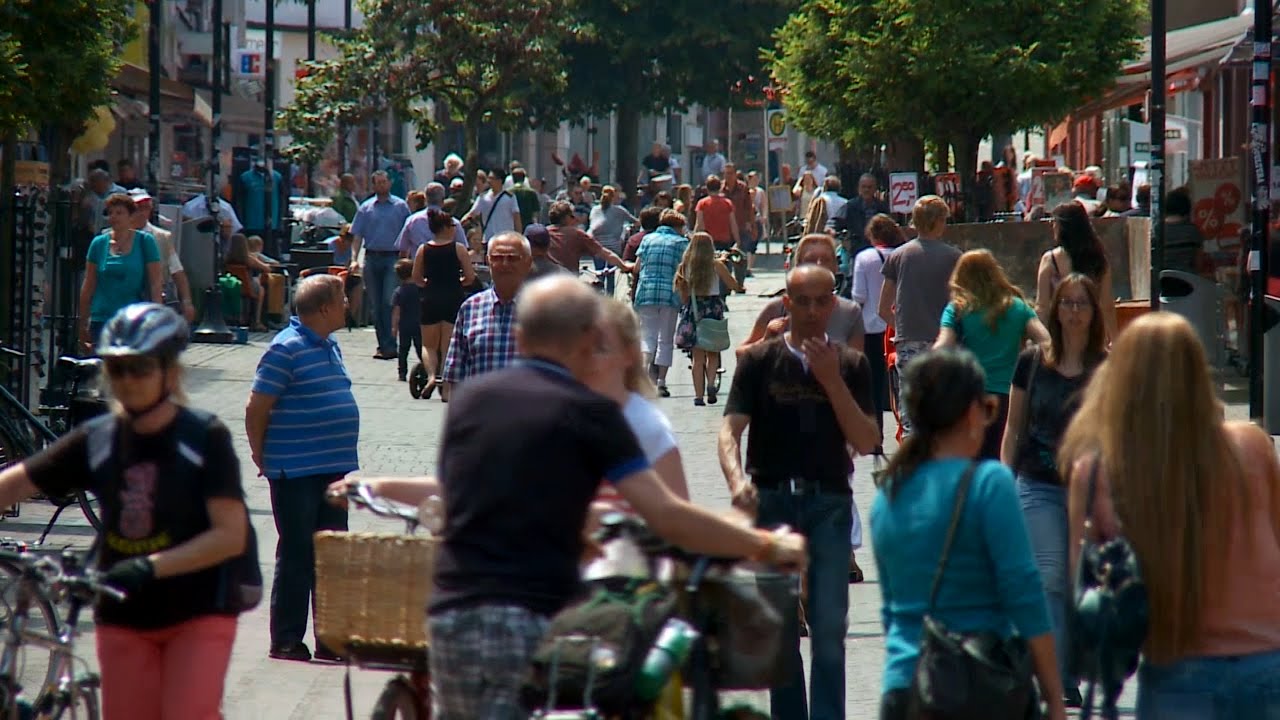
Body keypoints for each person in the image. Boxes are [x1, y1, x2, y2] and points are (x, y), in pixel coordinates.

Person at [334, 275, 807, 719]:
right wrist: (764, 543)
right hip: (529, 618)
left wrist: (380, 486)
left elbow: (465, 493)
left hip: (449, 614)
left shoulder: (473, 399)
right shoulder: (592, 413)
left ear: (520, 338)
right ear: (588, 339)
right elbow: (667, 514)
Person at [0, 303, 248, 719]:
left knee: (186, 712)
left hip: (197, 609)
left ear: (170, 372)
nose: (128, 380)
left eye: (140, 368)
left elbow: (230, 535)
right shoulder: (98, 439)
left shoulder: (203, 437)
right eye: (117, 369)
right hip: (123, 610)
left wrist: (150, 566)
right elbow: (16, 483)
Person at [1061, 313, 1280, 719]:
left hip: (1177, 669)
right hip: (1267, 662)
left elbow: (1081, 581)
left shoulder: (1101, 471)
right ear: (1198, 374)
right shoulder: (1251, 446)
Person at [720, 264, 879, 720]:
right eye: (802, 302)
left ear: (834, 305)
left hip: (828, 502)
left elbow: (867, 439)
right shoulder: (758, 361)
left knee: (828, 628)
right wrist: (736, 481)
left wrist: (831, 380)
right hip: (772, 502)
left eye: (820, 301)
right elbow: (729, 431)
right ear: (785, 304)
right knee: (781, 629)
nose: (811, 311)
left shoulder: (851, 365)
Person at [872, 348, 1067, 720]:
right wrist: (1055, 698)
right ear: (971, 413)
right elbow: (1025, 595)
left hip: (905, 687)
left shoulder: (888, 495)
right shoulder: (989, 484)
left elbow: (891, 611)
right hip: (979, 684)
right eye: (988, 408)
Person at [997, 273, 1106, 709]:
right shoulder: (1032, 361)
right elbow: (1013, 428)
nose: (1074, 312)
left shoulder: (1105, 368)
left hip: (1092, 488)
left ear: (1094, 312)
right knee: (1051, 576)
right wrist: (1003, 481)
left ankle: (1069, 664)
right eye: (1067, 303)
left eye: (1082, 304)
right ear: (1055, 309)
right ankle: (1058, 678)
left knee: (1082, 579)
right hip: (1037, 482)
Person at [245, 275, 358, 663]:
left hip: (333, 468)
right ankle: (287, 639)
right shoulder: (286, 348)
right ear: (325, 308)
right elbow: (256, 408)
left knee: (331, 554)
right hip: (296, 470)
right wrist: (260, 454)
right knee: (297, 553)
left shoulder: (329, 344)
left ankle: (330, 639)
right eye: (342, 299)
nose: (348, 304)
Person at [933, 249, 1050, 460]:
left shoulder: (957, 309)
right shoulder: (1018, 308)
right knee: (1005, 460)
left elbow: (943, 345)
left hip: (971, 400)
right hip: (1011, 400)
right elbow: (1046, 342)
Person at [587, 297, 690, 501]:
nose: (588, 358)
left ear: (629, 355)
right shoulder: (563, 415)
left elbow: (676, 508)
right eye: (580, 348)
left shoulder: (647, 426)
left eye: (600, 349)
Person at [878, 195, 961, 435]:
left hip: (908, 343)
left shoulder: (898, 256)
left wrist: (902, 327)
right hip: (944, 341)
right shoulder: (954, 257)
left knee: (912, 414)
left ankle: (912, 454)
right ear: (939, 221)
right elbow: (962, 303)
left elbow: (882, 308)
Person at [739, 234, 866, 357]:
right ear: (798, 265)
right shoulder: (778, 308)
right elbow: (741, 353)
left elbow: (856, 365)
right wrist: (766, 340)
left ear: (836, 266)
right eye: (811, 260)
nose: (819, 264)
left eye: (826, 260)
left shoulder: (850, 312)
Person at [441, 232, 532, 391]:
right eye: (497, 258)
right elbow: (456, 376)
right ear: (488, 261)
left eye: (512, 258)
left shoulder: (545, 311)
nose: (504, 264)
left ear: (528, 263)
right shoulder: (470, 308)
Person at [79, 193, 165, 352]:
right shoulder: (98, 243)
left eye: (119, 213)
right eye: (110, 212)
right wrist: (82, 322)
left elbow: (155, 283)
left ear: (131, 216)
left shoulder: (145, 242)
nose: (114, 217)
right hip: (102, 318)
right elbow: (89, 284)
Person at [851, 215, 906, 442]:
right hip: (898, 326)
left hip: (871, 328)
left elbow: (859, 295)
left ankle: (876, 435)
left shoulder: (864, 258)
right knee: (899, 383)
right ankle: (904, 430)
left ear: (871, 235)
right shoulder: (903, 255)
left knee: (873, 383)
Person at [413, 210, 477, 400]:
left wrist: (427, 283)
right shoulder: (458, 249)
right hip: (453, 297)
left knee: (428, 345)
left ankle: (431, 376)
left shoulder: (423, 249)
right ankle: (446, 387)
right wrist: (459, 282)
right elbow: (470, 277)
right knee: (448, 344)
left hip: (431, 297)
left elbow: (416, 277)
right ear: (445, 227)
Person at [349, 170, 412, 360]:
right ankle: (383, 345)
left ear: (389, 183)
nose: (382, 185)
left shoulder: (400, 206)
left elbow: (408, 232)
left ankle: (391, 344)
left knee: (388, 301)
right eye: (379, 182)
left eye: (385, 182)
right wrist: (354, 259)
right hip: (372, 257)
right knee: (375, 305)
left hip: (392, 258)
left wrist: (406, 257)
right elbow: (357, 236)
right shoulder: (366, 208)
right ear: (374, 185)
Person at [674, 232, 742, 406]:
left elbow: (682, 295)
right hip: (713, 307)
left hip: (695, 308)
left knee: (697, 358)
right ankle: (711, 384)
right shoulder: (716, 265)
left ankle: (698, 396)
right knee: (713, 350)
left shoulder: (684, 266)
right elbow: (733, 285)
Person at [1036, 201, 1118, 342]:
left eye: (1054, 222)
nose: (1052, 226)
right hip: (1092, 333)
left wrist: (1042, 341)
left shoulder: (1051, 259)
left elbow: (1042, 306)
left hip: (1061, 335)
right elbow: (1107, 305)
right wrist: (1114, 339)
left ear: (1062, 226)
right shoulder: (1098, 260)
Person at [634, 210, 691, 397]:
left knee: (647, 337)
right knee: (665, 339)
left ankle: (643, 379)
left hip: (646, 292)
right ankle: (661, 382)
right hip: (669, 295)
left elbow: (637, 267)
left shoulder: (647, 239)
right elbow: (686, 271)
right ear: (678, 226)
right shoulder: (681, 243)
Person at [129, 190, 195, 323]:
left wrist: (186, 302)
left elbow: (177, 271)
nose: (141, 212)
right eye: (137, 208)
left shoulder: (162, 237)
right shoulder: (111, 235)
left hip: (152, 299)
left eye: (145, 208)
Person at [587, 185, 637, 295]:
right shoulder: (619, 210)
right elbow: (635, 221)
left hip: (598, 247)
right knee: (610, 276)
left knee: (599, 274)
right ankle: (610, 299)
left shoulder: (595, 210)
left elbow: (592, 226)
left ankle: (598, 298)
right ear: (614, 196)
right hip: (613, 248)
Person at [225, 233, 274, 332]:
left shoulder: (226, 258)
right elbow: (267, 269)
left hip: (231, 286)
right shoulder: (248, 259)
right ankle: (257, 321)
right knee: (261, 289)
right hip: (247, 286)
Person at [463, 171, 522, 246]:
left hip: (506, 239)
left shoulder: (510, 197)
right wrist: (460, 223)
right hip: (489, 239)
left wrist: (519, 237)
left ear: (500, 181)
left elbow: (516, 218)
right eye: (488, 178)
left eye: (492, 178)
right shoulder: (483, 197)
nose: (489, 181)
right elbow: (472, 213)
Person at [391, 259, 424, 382]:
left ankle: (402, 372)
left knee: (403, 349)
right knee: (421, 348)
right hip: (420, 324)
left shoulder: (399, 291)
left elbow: (396, 311)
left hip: (405, 325)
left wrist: (394, 327)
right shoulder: (421, 289)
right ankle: (426, 367)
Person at [1163, 186, 1207, 275]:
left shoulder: (1157, 231)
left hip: (1162, 280)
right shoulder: (1194, 232)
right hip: (1187, 280)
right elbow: (1199, 265)